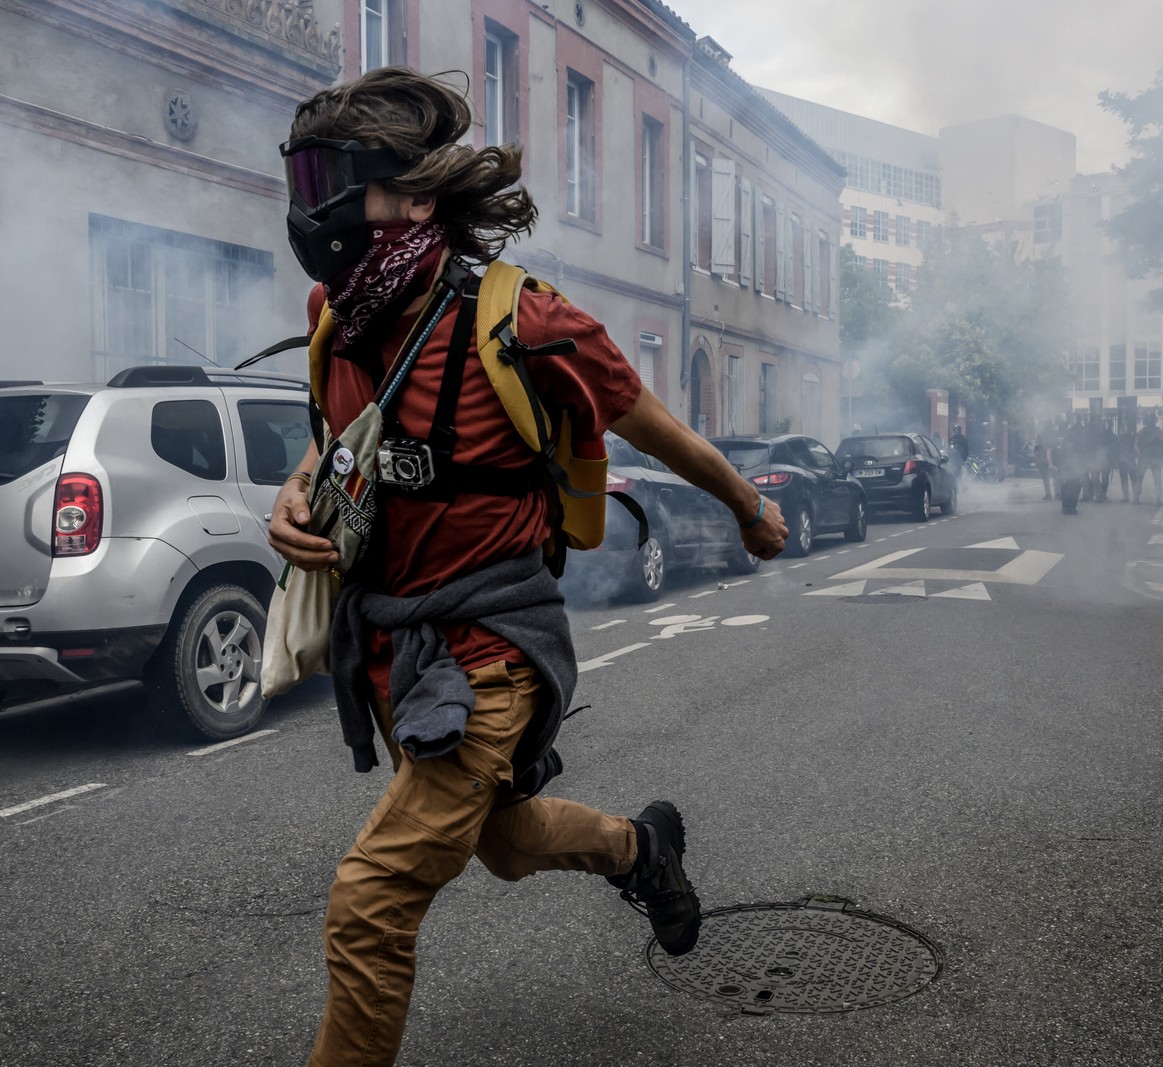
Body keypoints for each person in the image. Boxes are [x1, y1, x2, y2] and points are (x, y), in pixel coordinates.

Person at [266, 69, 789, 1067]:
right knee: (503, 845)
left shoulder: (523, 322)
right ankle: (642, 849)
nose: (313, 204)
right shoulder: (339, 314)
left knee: (368, 902)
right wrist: (295, 492)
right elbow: (337, 440)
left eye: (336, 177)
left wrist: (748, 506)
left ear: (416, 196)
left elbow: (652, 422)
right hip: (393, 643)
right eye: (302, 177)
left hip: (493, 644)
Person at [1132, 414, 1163, 506]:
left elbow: (1135, 445)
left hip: (1145, 458)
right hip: (1154, 458)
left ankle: (1136, 497)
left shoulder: (1142, 431)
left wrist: (1140, 453)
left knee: (1139, 478)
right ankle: (1158, 498)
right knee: (1157, 479)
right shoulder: (1159, 432)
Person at [1033, 433, 1056, 501]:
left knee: (1046, 478)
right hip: (1049, 460)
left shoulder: (1039, 442)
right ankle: (1057, 494)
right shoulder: (1050, 440)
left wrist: (1036, 460)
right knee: (1055, 477)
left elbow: (1036, 452)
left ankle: (1049, 494)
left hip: (1043, 461)